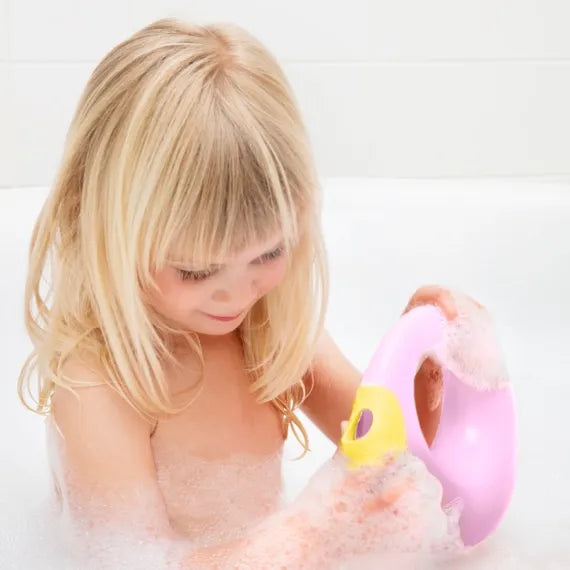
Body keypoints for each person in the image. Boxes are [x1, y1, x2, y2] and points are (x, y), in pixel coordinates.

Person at [17, 17, 464, 568]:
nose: (234, 296)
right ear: (105, 231)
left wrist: (425, 366)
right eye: (195, 270)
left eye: (268, 254)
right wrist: (311, 537)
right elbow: (129, 562)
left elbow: (397, 459)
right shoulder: (102, 388)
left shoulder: (270, 327)